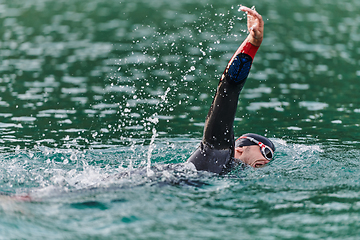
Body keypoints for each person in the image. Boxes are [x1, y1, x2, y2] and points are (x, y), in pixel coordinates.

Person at [186, 6, 275, 174]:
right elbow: (228, 89)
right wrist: (253, 44)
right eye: (266, 152)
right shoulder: (218, 149)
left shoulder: (229, 174)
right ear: (240, 149)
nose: (267, 160)